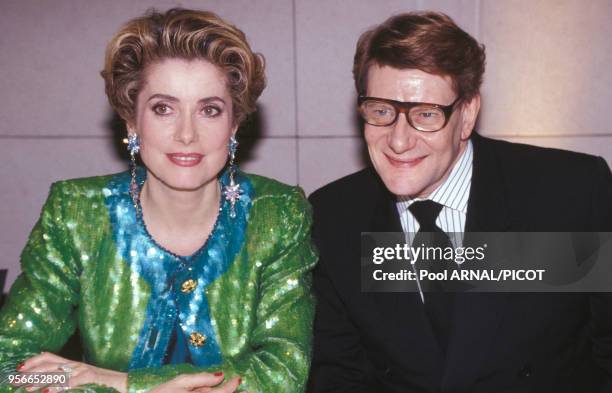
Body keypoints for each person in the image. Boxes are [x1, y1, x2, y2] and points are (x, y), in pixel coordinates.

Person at [0, 8, 317, 393]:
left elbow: (283, 374)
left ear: (234, 125)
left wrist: (125, 383)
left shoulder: (278, 214)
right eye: (163, 108)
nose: (186, 134)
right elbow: (10, 367)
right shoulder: (76, 212)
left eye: (209, 110)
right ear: (132, 121)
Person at [309, 11, 612, 393]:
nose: (399, 141)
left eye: (426, 114)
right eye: (382, 111)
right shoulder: (335, 216)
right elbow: (340, 375)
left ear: (467, 114)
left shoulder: (567, 193)